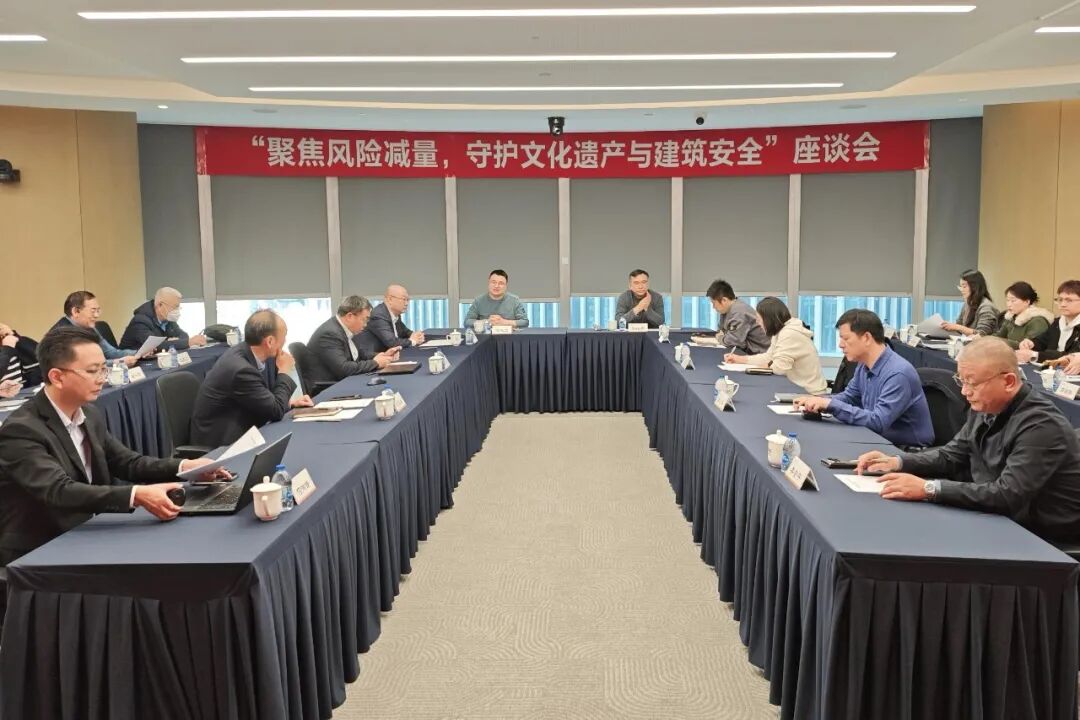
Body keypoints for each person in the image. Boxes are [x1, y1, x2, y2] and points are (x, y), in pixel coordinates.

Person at [0, 326, 221, 567]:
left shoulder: (89, 413)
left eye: (103, 369)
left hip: (86, 531)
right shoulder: (21, 430)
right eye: (92, 371)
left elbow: (127, 462)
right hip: (40, 549)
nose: (102, 378)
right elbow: (59, 491)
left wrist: (186, 466)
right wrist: (137, 495)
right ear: (57, 377)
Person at [857, 337, 1080, 541]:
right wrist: (898, 462)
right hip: (1000, 516)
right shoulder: (987, 406)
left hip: (1041, 535)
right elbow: (952, 455)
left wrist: (929, 488)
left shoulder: (1041, 425)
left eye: (972, 383)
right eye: (961, 381)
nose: (964, 392)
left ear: (1009, 381)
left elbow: (1007, 494)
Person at [794, 309, 934, 448]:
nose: (840, 344)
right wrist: (818, 400)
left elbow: (878, 422)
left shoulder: (898, 374)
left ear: (866, 338)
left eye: (846, 338)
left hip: (905, 450)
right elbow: (849, 397)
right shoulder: (864, 365)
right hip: (876, 439)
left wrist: (830, 404)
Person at [190, 310, 313, 446]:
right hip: (221, 444)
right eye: (284, 336)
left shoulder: (247, 352)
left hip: (241, 428)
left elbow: (263, 400)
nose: (285, 341)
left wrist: (289, 403)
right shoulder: (241, 370)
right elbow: (276, 412)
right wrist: (284, 371)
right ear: (270, 341)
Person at [725, 297, 827, 395]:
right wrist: (739, 359)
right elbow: (768, 357)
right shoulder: (781, 331)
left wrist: (766, 365)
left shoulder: (789, 334)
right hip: (797, 388)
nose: (757, 322)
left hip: (811, 394)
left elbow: (779, 368)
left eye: (759, 319)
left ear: (768, 319)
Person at [307, 295, 401, 385]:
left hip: (343, 381)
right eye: (364, 320)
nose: (365, 325)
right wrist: (376, 363)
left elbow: (358, 355)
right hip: (329, 386)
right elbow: (343, 369)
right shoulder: (330, 334)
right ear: (350, 316)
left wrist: (381, 356)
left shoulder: (343, 328)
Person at [53, 290, 141, 368]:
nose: (96, 315)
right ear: (76, 311)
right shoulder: (60, 334)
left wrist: (139, 353)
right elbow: (85, 365)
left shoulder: (88, 327)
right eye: (93, 311)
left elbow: (111, 353)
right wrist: (118, 363)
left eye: (98, 310)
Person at [119, 287, 207, 352]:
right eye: (175, 307)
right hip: (131, 365)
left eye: (178, 307)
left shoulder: (168, 319)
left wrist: (174, 342)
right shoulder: (140, 321)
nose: (177, 310)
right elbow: (156, 346)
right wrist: (188, 342)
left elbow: (183, 335)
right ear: (160, 305)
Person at [1017, 279, 1080, 363]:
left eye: (1069, 300)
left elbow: (1071, 356)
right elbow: (1042, 340)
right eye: (1060, 300)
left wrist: (1036, 355)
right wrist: (1031, 343)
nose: (1063, 304)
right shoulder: (1058, 322)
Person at [357, 285, 425, 356]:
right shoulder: (378, 315)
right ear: (390, 299)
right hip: (374, 356)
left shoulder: (395, 313)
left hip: (390, 354)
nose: (406, 303)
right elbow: (392, 342)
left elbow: (405, 332)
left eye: (408, 300)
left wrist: (416, 335)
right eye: (404, 299)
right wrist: (413, 341)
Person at [706, 279, 769, 354]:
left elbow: (732, 341)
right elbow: (721, 331)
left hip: (760, 353)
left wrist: (720, 338)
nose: (713, 307)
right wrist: (723, 337)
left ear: (724, 300)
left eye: (714, 303)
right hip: (747, 351)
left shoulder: (739, 312)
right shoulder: (726, 310)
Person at [994, 281, 1053, 349]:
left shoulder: (1038, 321)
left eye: (1013, 301)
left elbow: (1027, 346)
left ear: (1027, 302)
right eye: (1007, 300)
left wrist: (999, 341)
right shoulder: (1011, 317)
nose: (1009, 304)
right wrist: (987, 339)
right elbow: (999, 335)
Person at [941, 269, 999, 336]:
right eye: (961, 286)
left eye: (964, 286)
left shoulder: (986, 307)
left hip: (983, 342)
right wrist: (948, 326)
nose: (961, 290)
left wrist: (957, 327)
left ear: (975, 287)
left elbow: (981, 334)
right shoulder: (967, 304)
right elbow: (958, 327)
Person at [465, 269, 529, 328]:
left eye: (501, 283)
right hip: (485, 335)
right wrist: (487, 321)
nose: (496, 286)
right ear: (488, 283)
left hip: (508, 336)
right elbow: (467, 322)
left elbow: (525, 322)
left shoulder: (514, 300)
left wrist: (504, 322)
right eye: (493, 282)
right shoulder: (478, 301)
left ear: (506, 286)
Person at [0, 321, 41, 393]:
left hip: (20, 394)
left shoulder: (7, 346)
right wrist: (8, 349)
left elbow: (40, 358)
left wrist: (13, 336)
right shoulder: (7, 350)